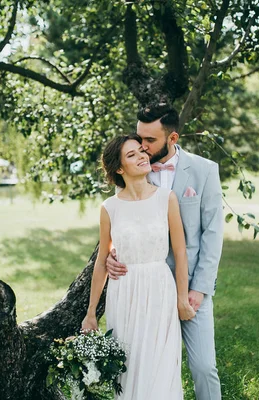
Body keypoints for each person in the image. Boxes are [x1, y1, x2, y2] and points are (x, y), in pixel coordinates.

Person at [106, 104, 224, 400]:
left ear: (172, 138)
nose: (142, 148)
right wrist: (111, 252)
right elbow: (120, 222)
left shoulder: (205, 170)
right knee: (142, 368)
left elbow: (212, 234)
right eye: (139, 138)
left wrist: (197, 289)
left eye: (150, 141)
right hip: (146, 290)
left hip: (191, 286)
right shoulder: (136, 170)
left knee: (204, 367)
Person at [81, 134, 196, 399]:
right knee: (130, 369)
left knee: (161, 366)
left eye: (141, 151)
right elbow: (102, 261)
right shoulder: (109, 207)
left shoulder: (166, 198)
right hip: (125, 294)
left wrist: (181, 298)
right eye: (131, 155)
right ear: (119, 168)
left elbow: (180, 252)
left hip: (160, 290)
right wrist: (90, 313)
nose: (143, 156)